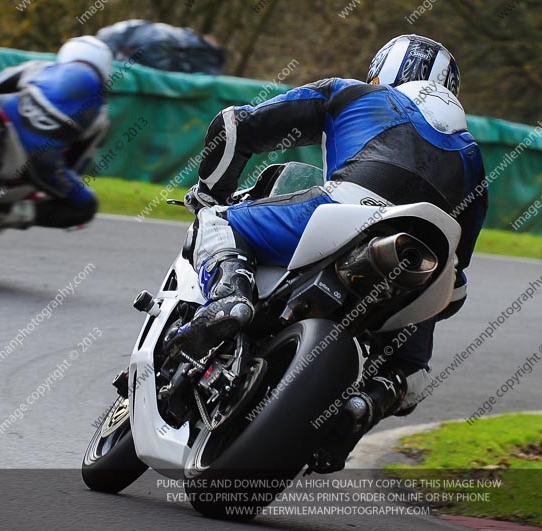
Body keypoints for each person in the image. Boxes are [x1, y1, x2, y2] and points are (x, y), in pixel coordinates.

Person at [173, 34, 488, 471]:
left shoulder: (353, 92)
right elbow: (457, 280)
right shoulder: (473, 157)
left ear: (382, 72)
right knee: (413, 368)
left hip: (345, 211)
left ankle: (230, 296)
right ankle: (369, 402)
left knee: (220, 221)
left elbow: (235, 125)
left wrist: (211, 192)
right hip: (422, 269)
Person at [0, 36, 112, 230]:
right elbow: (77, 163)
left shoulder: (40, 67)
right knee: (86, 207)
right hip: (40, 159)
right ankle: (11, 212)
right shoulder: (102, 114)